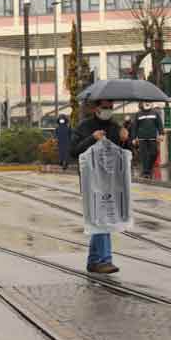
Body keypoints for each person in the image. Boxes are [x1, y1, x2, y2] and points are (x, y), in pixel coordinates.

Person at [70, 99, 131, 274]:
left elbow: (123, 153)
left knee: (104, 217)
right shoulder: (84, 127)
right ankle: (104, 260)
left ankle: (95, 260)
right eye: (104, 107)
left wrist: (125, 140)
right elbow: (74, 151)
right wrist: (92, 138)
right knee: (101, 217)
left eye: (111, 107)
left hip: (111, 180)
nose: (108, 110)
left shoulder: (115, 127)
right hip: (91, 180)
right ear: (95, 108)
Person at [132, 102, 164, 178]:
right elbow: (134, 127)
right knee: (144, 155)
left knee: (154, 153)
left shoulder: (155, 113)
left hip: (152, 137)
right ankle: (146, 172)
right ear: (142, 104)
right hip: (142, 138)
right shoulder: (138, 114)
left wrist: (161, 134)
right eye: (145, 102)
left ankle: (149, 168)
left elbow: (159, 124)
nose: (147, 103)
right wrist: (133, 138)